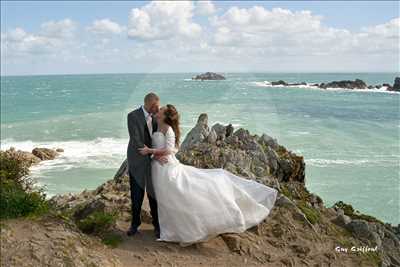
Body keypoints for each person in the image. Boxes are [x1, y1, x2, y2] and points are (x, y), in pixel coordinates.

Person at [139, 104, 278, 244]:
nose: (159, 111)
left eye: (161, 110)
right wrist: (155, 155)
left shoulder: (168, 130)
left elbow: (169, 150)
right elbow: (159, 147)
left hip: (167, 168)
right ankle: (170, 228)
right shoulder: (156, 125)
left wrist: (150, 152)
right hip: (158, 167)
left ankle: (191, 227)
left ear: (165, 116)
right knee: (166, 199)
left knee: (177, 196)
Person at [126, 92, 166, 238]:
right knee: (136, 196)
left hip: (152, 163)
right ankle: (134, 225)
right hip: (137, 162)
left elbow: (159, 137)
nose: (158, 108)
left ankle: (157, 226)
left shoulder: (156, 118)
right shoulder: (132, 116)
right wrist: (152, 153)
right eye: (157, 105)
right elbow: (136, 139)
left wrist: (156, 155)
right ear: (151, 104)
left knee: (153, 196)